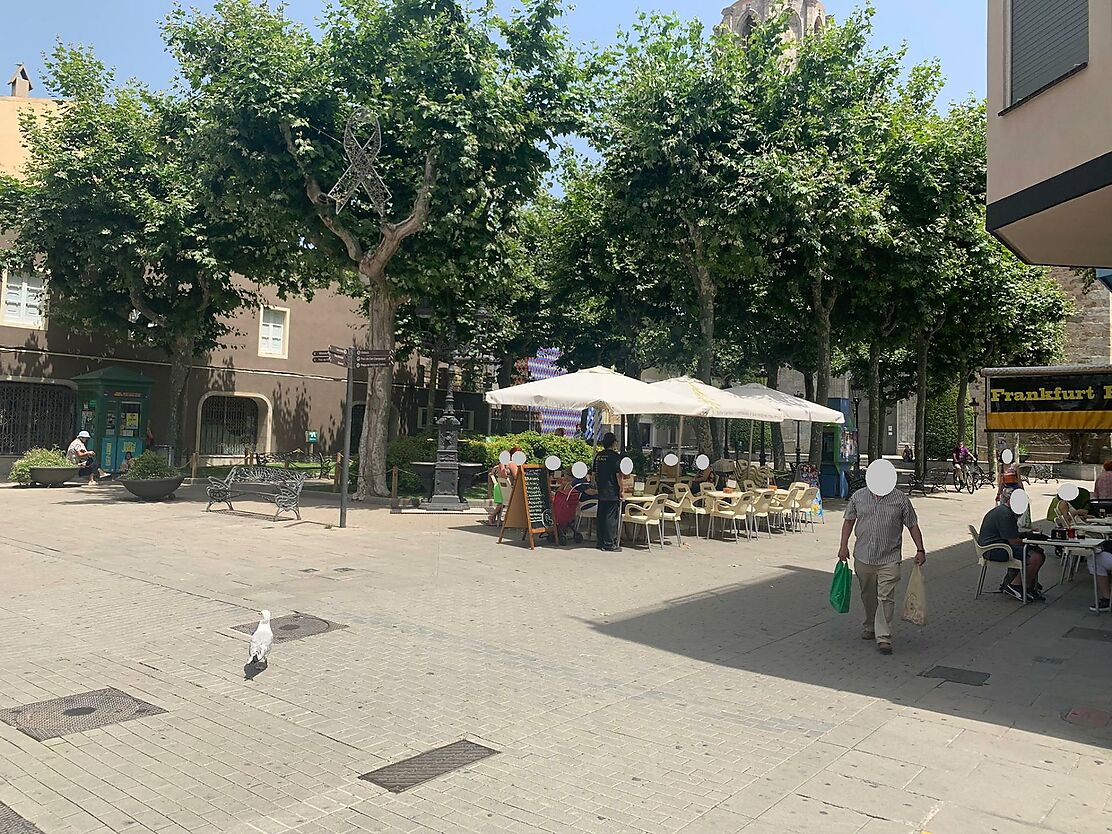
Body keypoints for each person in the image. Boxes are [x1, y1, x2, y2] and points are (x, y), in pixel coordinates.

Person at [838, 462, 926, 655]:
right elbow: (848, 521)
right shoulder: (858, 497)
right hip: (863, 556)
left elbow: (912, 525)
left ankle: (883, 636)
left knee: (885, 597)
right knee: (868, 595)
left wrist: (920, 549)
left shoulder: (900, 499)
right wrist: (843, 546)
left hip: (890, 557)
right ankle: (870, 625)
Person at [979, 487, 1046, 601]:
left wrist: (1028, 536)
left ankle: (1027, 585)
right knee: (1036, 557)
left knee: (1037, 553)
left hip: (997, 546)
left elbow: (1012, 535)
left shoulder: (1004, 511)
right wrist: (1030, 540)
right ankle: (1015, 586)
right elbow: (1013, 541)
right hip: (994, 549)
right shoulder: (1005, 515)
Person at [593, 432, 623, 552]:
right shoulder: (615, 457)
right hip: (612, 490)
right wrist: (621, 489)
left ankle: (600, 542)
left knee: (601, 516)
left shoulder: (598, 456)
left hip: (601, 490)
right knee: (611, 517)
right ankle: (609, 543)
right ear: (613, 442)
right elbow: (618, 475)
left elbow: (594, 473)